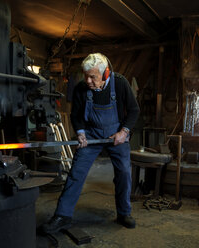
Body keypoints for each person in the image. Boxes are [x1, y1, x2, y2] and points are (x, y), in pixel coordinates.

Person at [42, 53, 140, 233]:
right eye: (85, 75)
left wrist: (124, 132)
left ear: (105, 74)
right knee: (76, 173)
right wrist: (80, 133)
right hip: (91, 135)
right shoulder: (81, 88)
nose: (87, 80)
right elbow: (76, 115)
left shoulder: (119, 83)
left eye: (92, 77)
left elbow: (134, 111)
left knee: (124, 173)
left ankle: (124, 213)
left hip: (116, 136)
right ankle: (62, 216)